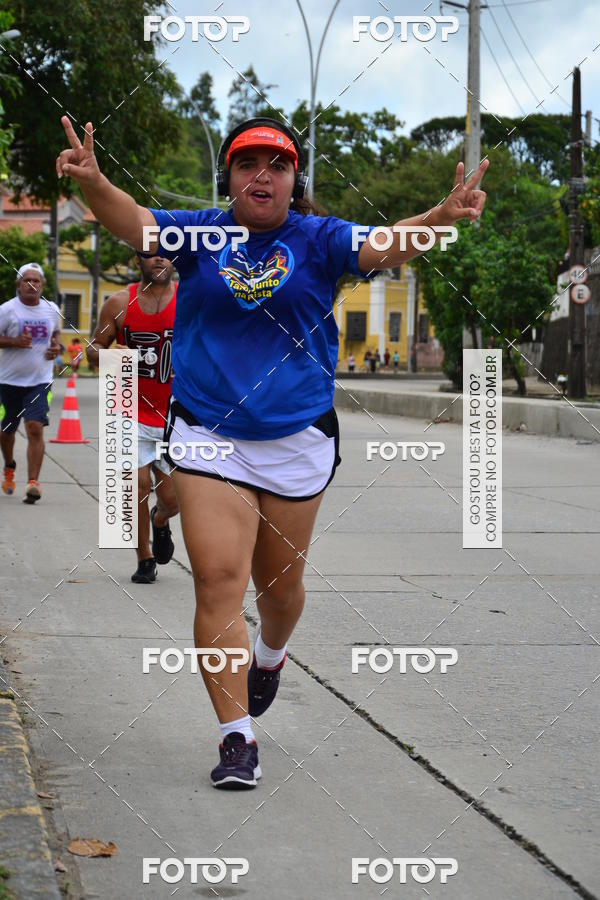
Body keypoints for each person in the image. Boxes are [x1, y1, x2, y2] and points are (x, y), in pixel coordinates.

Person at [56, 114, 487, 789]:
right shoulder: (199, 233)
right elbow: (135, 223)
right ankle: (236, 738)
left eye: (277, 164)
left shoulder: (318, 239)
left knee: (279, 592)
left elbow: (386, 245)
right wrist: (92, 179)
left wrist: (443, 213)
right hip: (209, 437)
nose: (262, 175)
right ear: (228, 177)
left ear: (294, 180)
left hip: (296, 438)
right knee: (218, 581)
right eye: (248, 163)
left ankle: (271, 654)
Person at [86, 254, 179, 584]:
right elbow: (93, 349)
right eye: (150, 253)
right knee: (136, 486)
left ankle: (161, 521)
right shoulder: (119, 303)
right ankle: (144, 557)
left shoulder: (190, 300)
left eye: (165, 252)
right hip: (129, 411)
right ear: (137, 259)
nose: (159, 259)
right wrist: (110, 354)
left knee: (174, 500)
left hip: (175, 416)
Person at [0, 263, 62, 503]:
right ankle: (9, 466)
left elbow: (55, 335)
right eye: (26, 280)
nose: (31, 284)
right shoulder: (6, 310)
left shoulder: (51, 309)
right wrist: (15, 341)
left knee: (35, 427)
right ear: (18, 285)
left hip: (40, 380)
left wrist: (56, 348)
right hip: (9, 381)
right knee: (6, 431)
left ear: (42, 285)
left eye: (36, 281)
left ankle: (33, 483)